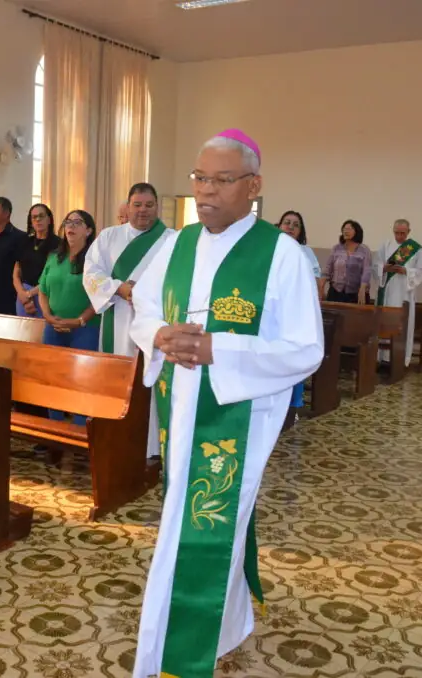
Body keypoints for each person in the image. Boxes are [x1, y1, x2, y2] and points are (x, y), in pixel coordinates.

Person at [129, 129, 323, 678]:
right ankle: (231, 619)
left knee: (200, 522)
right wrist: (160, 334)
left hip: (240, 409)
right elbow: (143, 306)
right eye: (199, 178)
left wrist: (221, 349)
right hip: (179, 405)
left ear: (253, 186)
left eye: (221, 180)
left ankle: (174, 650)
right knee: (205, 519)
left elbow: (306, 347)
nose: (205, 191)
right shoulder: (177, 243)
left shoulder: (282, 253)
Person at [84, 182, 173, 459]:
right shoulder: (109, 237)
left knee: (149, 380)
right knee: (116, 382)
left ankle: (150, 447)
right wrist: (120, 289)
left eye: (149, 205)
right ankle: (115, 441)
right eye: (137, 205)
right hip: (116, 319)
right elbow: (91, 273)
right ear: (128, 206)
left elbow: (181, 280)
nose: (143, 211)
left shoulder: (173, 239)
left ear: (157, 207)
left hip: (155, 325)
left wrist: (144, 292)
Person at [38, 209, 101, 424]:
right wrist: (47, 315)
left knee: (81, 382)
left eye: (77, 222)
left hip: (85, 329)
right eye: (68, 222)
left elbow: (99, 296)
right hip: (53, 327)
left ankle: (81, 434)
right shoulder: (55, 257)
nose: (71, 226)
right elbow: (43, 290)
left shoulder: (95, 260)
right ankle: (54, 431)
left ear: (89, 230)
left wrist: (79, 320)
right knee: (52, 381)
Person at [277, 210, 321, 423]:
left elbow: (315, 282)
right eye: (287, 223)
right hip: (274, 314)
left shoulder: (305, 252)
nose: (291, 227)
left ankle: (293, 407)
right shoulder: (270, 248)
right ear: (279, 225)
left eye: (296, 224)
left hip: (296, 313)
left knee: (294, 357)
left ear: (301, 230)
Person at [374, 218, 422, 366]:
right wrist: (384, 268)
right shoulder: (386, 245)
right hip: (387, 292)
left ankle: (399, 358)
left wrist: (406, 271)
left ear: (409, 232)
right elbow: (375, 264)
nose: (399, 236)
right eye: (397, 233)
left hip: (404, 294)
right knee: (385, 323)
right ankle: (382, 358)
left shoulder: (415, 248)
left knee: (401, 325)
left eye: (403, 233)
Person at [13, 203, 60, 317]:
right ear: (31, 221)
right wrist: (21, 293)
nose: (37, 219)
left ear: (49, 219)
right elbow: (16, 272)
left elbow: (53, 274)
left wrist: (30, 294)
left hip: (46, 295)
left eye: (41, 216)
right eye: (34, 217)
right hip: (23, 297)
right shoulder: (25, 241)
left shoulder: (58, 244)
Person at [321, 219, 372, 304]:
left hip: (356, 293)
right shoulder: (336, 248)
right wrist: (321, 286)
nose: (346, 231)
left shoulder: (364, 250)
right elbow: (327, 268)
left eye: (349, 229)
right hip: (336, 293)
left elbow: (367, 271)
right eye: (344, 229)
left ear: (357, 231)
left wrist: (363, 288)